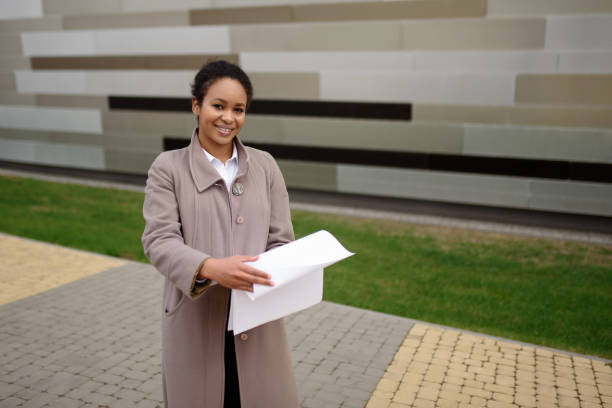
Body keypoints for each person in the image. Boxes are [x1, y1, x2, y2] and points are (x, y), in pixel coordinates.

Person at [142, 60, 299, 408]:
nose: (228, 118)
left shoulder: (266, 166)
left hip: (258, 319)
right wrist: (211, 268)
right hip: (195, 318)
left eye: (238, 109)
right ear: (196, 106)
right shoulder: (168, 168)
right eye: (218, 106)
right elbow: (158, 240)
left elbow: (281, 240)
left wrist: (291, 268)